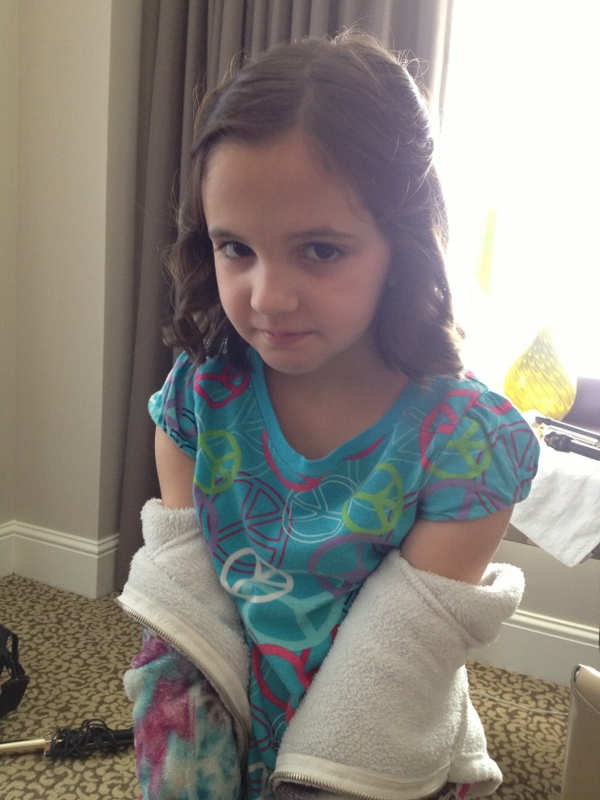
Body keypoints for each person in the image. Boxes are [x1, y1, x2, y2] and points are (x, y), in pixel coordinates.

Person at [119, 32, 539, 800]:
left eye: (319, 250)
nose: (267, 297)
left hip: (377, 751)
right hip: (231, 718)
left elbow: (398, 657)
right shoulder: (197, 399)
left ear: (400, 245)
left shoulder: (469, 445)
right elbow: (186, 603)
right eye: (235, 247)